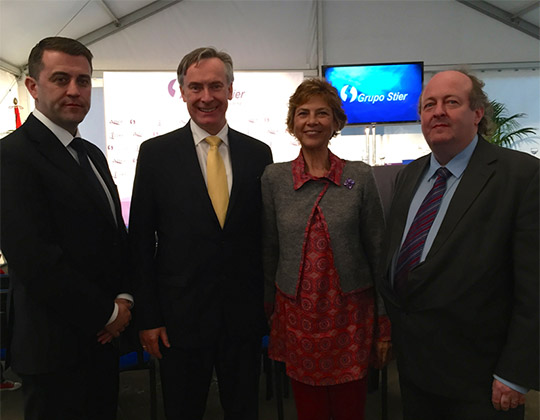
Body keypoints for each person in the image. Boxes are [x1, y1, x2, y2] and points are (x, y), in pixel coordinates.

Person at [379, 70, 539, 420]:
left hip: (482, 381)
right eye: (429, 105)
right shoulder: (409, 175)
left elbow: (534, 288)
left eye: (452, 102)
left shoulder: (522, 176)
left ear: (477, 113)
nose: (438, 112)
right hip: (415, 372)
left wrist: (515, 373)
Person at [129, 47, 273, 420]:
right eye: (195, 88)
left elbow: (264, 237)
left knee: (244, 410)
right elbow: (141, 241)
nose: (206, 97)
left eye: (215, 86)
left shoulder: (259, 154)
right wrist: (148, 316)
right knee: (182, 410)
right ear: (182, 91)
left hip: (241, 318)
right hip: (178, 320)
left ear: (230, 89)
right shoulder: (156, 154)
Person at [0, 37, 132, 420]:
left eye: (84, 80)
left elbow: (114, 236)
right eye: (61, 79)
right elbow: (36, 261)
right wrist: (108, 313)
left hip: (102, 344)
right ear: (33, 86)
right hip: (54, 351)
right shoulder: (12, 158)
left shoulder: (90, 154)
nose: (75, 90)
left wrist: (124, 297)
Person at [261, 78, 391, 420]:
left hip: (351, 316)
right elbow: (269, 250)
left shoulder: (359, 177)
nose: (312, 121)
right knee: (309, 410)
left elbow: (378, 253)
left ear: (336, 122)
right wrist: (268, 309)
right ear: (292, 124)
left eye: (322, 113)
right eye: (303, 113)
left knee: (351, 409)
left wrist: (384, 322)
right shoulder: (274, 179)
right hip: (298, 317)